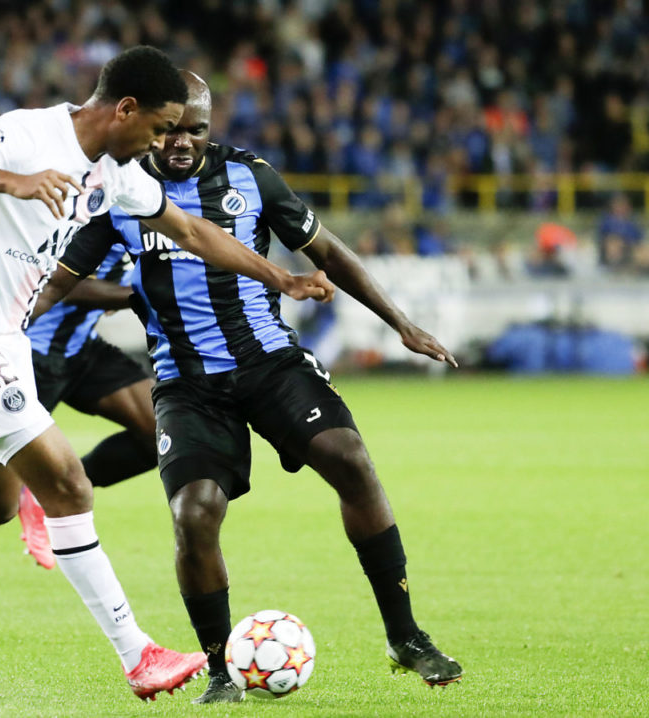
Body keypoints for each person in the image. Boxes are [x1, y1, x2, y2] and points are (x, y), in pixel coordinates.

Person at [0, 47, 329, 701]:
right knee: (69, 485)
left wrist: (280, 275)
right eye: (161, 125)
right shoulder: (31, 134)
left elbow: (194, 232)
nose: (166, 141)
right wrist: (14, 182)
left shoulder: (119, 175)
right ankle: (138, 655)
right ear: (126, 109)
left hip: (1, 340)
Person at [34, 71, 464, 704]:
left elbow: (328, 251)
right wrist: (2, 324)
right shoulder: (122, 189)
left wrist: (400, 322)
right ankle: (218, 671)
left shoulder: (251, 177)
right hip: (185, 383)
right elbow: (62, 274)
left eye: (196, 130)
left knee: (350, 460)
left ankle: (406, 636)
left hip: (269, 362)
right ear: (154, 123)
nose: (182, 142)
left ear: (212, 127)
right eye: (172, 129)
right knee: (195, 512)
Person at [16, 247, 157, 570]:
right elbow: (64, 284)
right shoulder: (89, 210)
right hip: (32, 353)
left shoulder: (149, 209)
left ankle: (45, 494)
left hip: (81, 348)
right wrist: (139, 295)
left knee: (165, 430)